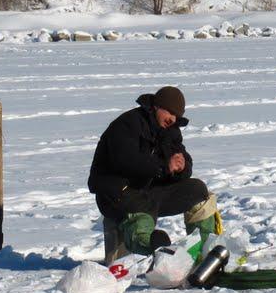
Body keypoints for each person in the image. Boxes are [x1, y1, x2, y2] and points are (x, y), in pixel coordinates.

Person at [89, 86, 220, 260]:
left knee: (198, 191)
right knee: (142, 208)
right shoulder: (127, 124)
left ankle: (203, 253)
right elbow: (126, 161)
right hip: (117, 194)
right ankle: (151, 246)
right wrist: (164, 166)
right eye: (170, 113)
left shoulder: (170, 131)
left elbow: (182, 159)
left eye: (176, 116)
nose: (172, 119)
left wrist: (182, 166)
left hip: (149, 192)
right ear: (157, 106)